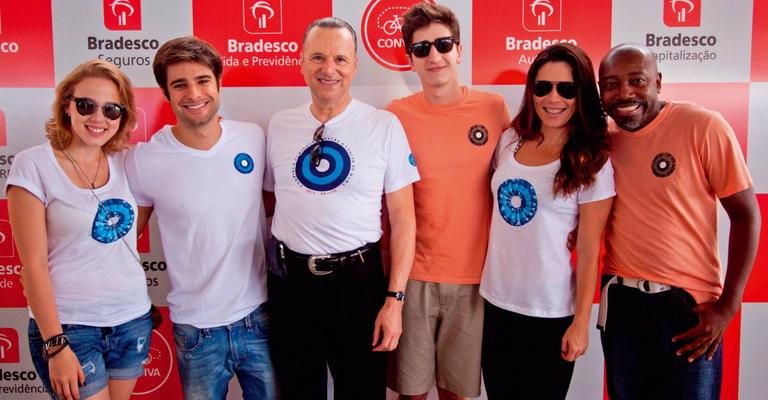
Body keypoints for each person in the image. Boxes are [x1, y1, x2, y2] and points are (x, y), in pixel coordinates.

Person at [265, 17, 419, 400]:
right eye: (317, 57)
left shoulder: (384, 126)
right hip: (291, 285)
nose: (328, 69)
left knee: (362, 392)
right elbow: (270, 202)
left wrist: (394, 300)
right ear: (301, 62)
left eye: (339, 58)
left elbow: (404, 220)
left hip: (359, 285)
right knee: (298, 391)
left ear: (354, 66)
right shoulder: (279, 125)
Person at [597, 43, 761, 399]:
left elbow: (747, 215)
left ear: (658, 81)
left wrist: (728, 307)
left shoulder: (703, 125)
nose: (624, 93)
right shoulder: (603, 143)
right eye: (610, 84)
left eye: (636, 81)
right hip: (623, 306)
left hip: (689, 309)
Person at [124, 36, 275, 399]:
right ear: (166, 93)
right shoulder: (144, 160)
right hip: (195, 330)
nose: (194, 93)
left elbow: (277, 215)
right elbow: (126, 243)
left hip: (260, 317)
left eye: (203, 80)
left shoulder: (252, 138)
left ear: (218, 83)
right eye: (180, 84)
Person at [384, 3, 510, 399]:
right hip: (412, 277)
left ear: (458, 50)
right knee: (412, 393)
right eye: (421, 49)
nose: (434, 56)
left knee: (457, 393)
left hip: (475, 280)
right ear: (410, 60)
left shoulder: (493, 108)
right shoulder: (395, 116)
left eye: (442, 44)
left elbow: (518, 183)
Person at [6, 59, 151, 400]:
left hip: (131, 320)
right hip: (70, 328)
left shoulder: (127, 161)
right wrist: (55, 345)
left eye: (112, 110)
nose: (99, 118)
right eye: (87, 105)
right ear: (67, 105)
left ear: (123, 116)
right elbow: (33, 266)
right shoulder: (34, 165)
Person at [479, 43, 614, 399]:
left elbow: (589, 248)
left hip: (551, 313)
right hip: (495, 304)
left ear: (581, 94)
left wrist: (581, 323)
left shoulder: (593, 161)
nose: (553, 98)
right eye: (543, 87)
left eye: (566, 89)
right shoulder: (509, 140)